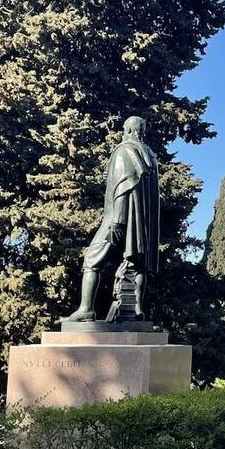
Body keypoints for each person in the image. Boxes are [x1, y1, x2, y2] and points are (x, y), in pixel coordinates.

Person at [62, 116, 160, 322]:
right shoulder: (150, 155)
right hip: (141, 223)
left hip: (117, 218)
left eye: (125, 129)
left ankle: (86, 308)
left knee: (92, 260)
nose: (123, 132)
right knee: (138, 264)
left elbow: (123, 186)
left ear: (131, 130)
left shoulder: (124, 150)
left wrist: (117, 221)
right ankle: (137, 309)